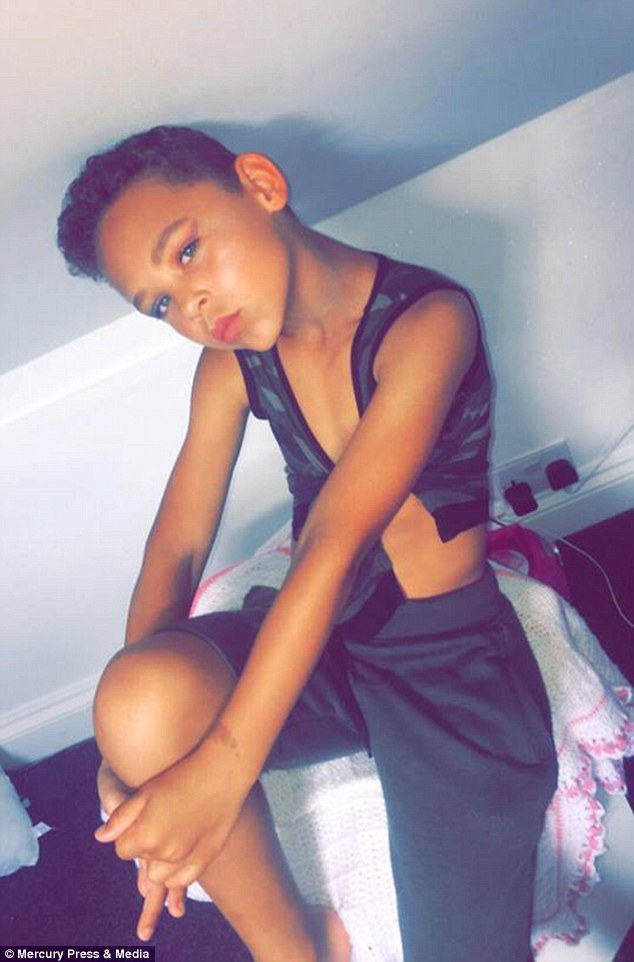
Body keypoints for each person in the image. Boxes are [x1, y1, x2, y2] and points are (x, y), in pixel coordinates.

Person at [57, 125, 558, 962]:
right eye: (161, 305)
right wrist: (130, 756)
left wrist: (222, 769)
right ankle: (297, 947)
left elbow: (332, 544)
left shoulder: (429, 322)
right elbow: (177, 546)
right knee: (140, 700)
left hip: (448, 668)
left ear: (261, 185)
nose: (192, 307)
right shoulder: (230, 367)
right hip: (329, 647)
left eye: (187, 254)